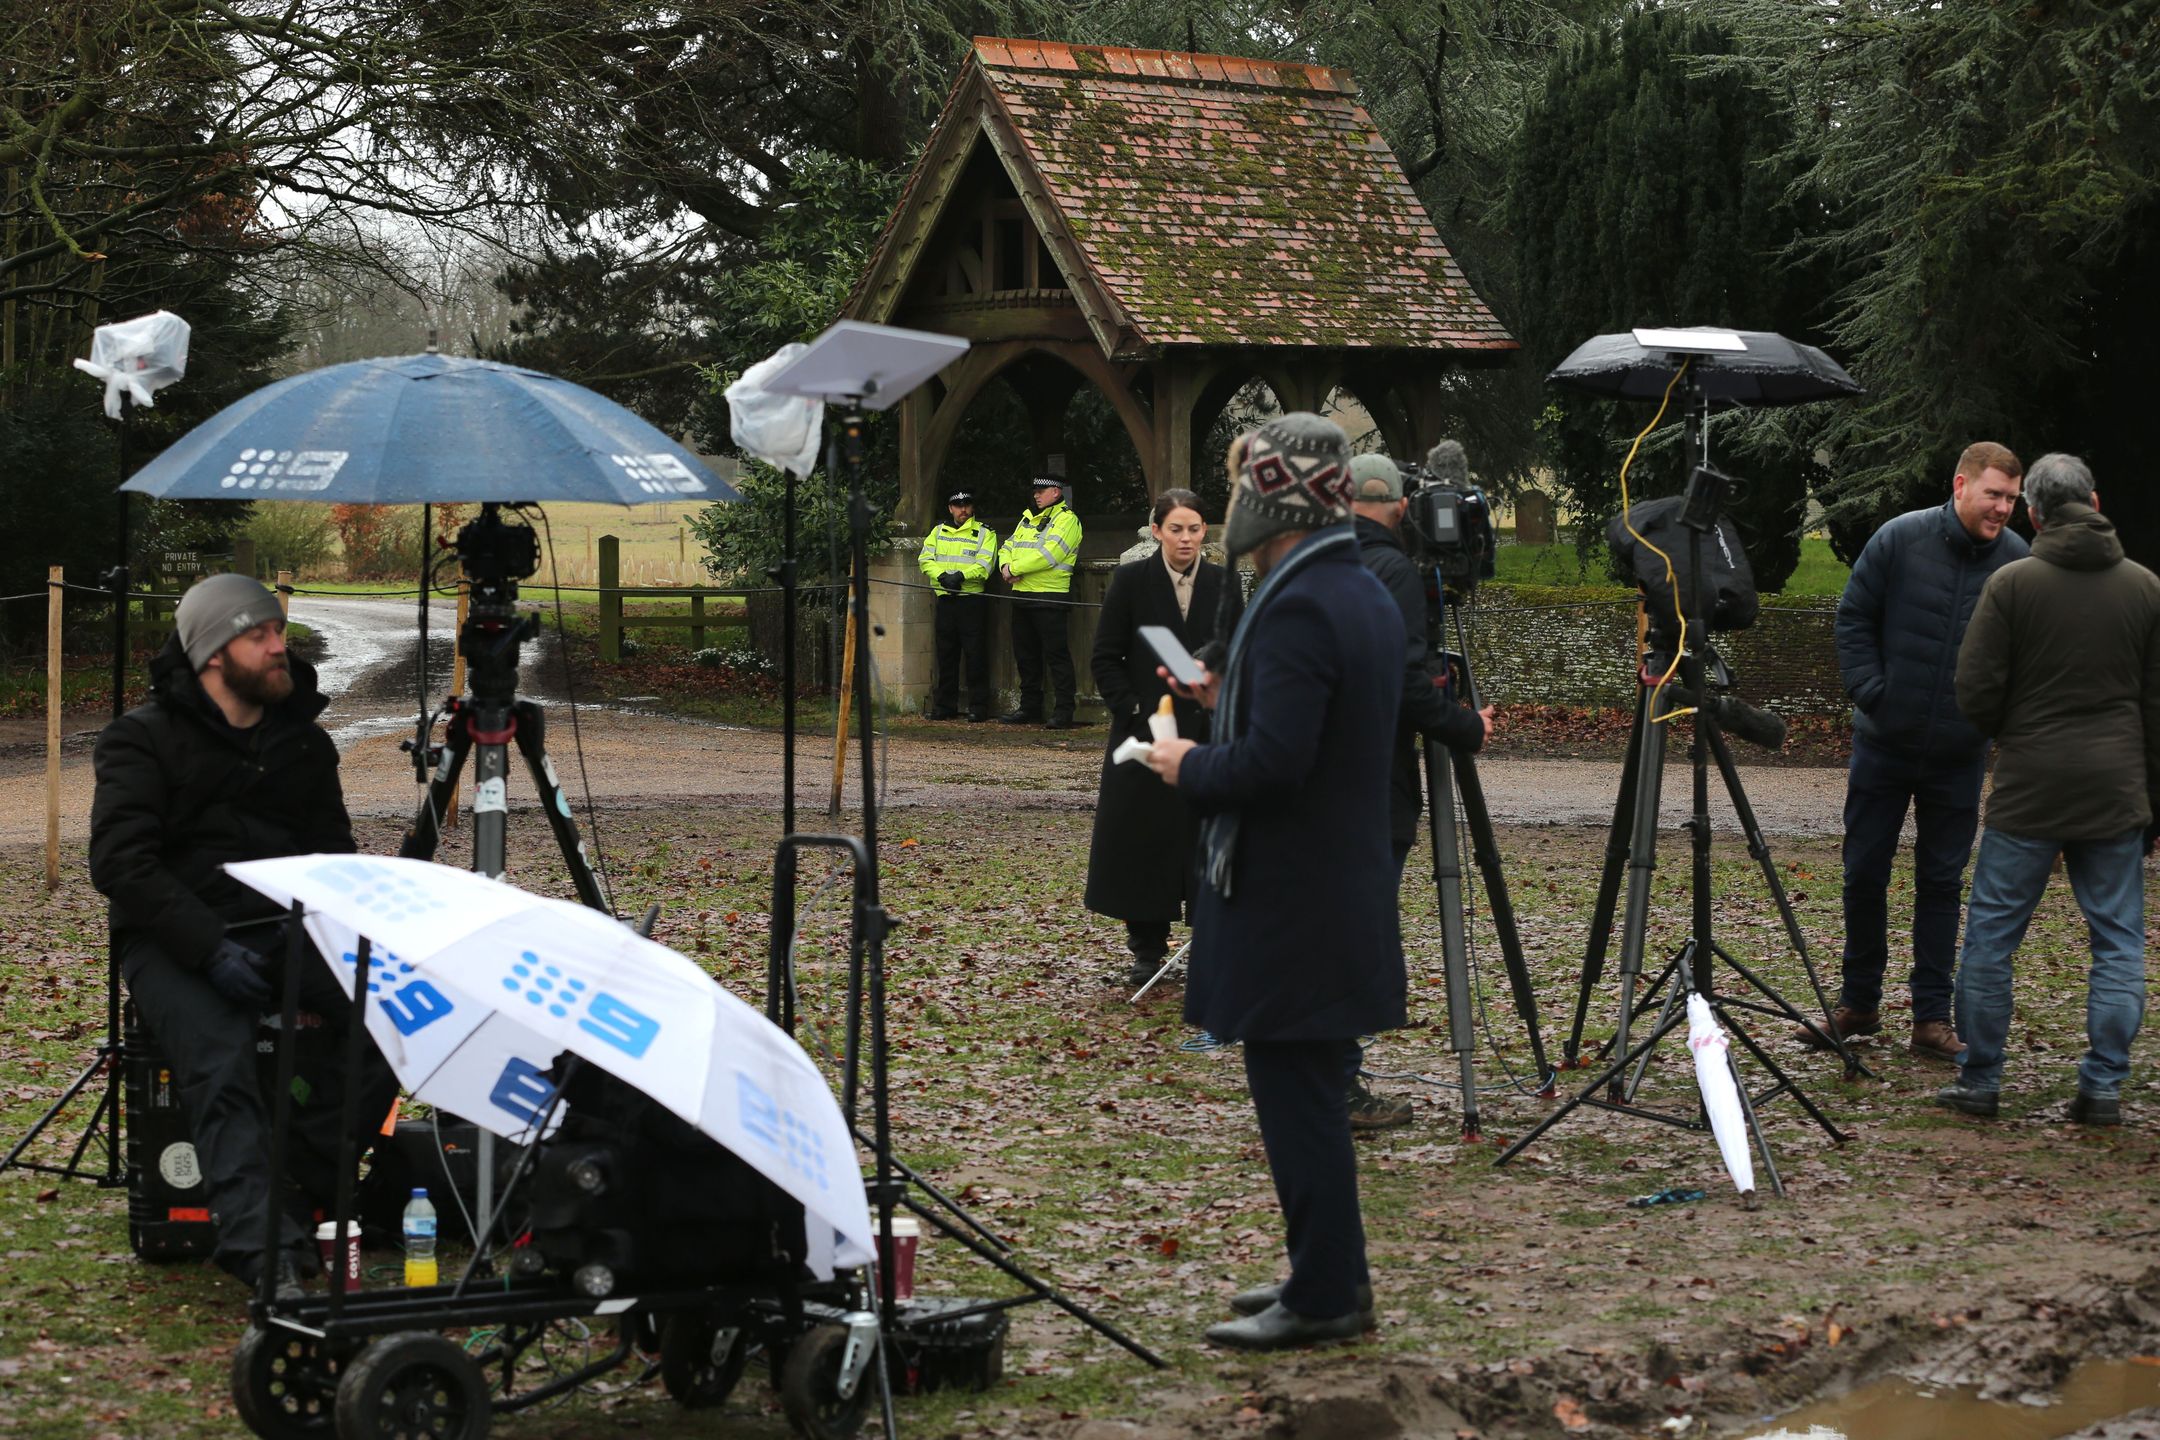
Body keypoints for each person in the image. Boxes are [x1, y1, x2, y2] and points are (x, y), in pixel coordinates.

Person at [1144, 413, 1404, 1351]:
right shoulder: (1353, 585)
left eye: (1237, 487)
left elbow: (1276, 767)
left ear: (1270, 495)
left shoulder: (1298, 601)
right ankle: (1323, 1273)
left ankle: (1330, 1294)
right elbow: (1313, 721)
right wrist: (1232, 691)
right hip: (1332, 887)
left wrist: (1184, 767)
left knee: (1300, 1100)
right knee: (1308, 1093)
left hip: (1295, 896)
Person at [89, 574, 396, 1296]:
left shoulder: (304, 746)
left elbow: (332, 858)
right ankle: (269, 1258)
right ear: (214, 653)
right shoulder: (141, 740)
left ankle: (299, 1185)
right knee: (220, 1063)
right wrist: (208, 947)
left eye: (278, 632)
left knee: (394, 1014)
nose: (277, 645)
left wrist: (349, 937)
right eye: (259, 635)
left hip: (288, 927)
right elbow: (121, 863)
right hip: (174, 936)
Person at [1936, 454, 2160, 1123]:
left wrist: (2019, 733)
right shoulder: (2146, 588)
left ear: (2033, 511)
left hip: (2030, 785)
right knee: (2118, 941)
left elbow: (1975, 690)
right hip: (2115, 787)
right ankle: (2103, 1087)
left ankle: (1981, 1081)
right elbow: (2156, 706)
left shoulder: (2012, 584)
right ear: (2093, 499)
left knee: (1992, 938)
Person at [1813, 441, 2028, 1061]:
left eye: (2012, 498)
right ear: (1960, 484)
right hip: (1885, 744)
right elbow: (1853, 618)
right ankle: (1858, 1005)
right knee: (1863, 873)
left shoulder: (2017, 563)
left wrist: (1985, 723)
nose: (2002, 509)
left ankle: (1931, 1019)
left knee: (1941, 884)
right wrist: (1875, 694)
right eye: (1993, 494)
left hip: (1959, 757)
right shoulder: (1899, 539)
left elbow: (2023, 658)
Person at [1346, 448, 1494, 1130]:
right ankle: (1341, 1084)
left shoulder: (1317, 559)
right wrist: (1465, 724)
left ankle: (1323, 1074)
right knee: (1360, 929)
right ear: (1401, 506)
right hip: (1373, 780)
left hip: (1321, 777)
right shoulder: (1395, 571)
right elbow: (1406, 683)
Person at [1084, 488, 1244, 988]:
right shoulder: (1131, 580)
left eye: (1194, 529)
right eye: (1176, 528)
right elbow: (1106, 656)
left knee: (1207, 835)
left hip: (1208, 733)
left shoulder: (1224, 583)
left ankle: (1214, 939)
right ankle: (1146, 947)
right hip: (1145, 731)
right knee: (1142, 838)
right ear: (1156, 531)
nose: (1186, 539)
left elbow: (1241, 649)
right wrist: (1132, 708)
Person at [999, 474, 1085, 729]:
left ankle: (1064, 711)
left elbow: (1050, 554)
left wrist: (1013, 567)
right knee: (1025, 656)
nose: (1036, 495)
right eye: (1035, 490)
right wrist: (1005, 565)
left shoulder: (1067, 520)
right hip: (1022, 595)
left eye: (1041, 490)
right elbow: (1007, 545)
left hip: (1050, 596)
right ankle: (1029, 708)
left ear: (1056, 492)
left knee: (1056, 656)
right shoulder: (1027, 518)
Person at [918, 488, 998, 721]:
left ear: (972, 508)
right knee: (946, 655)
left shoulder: (984, 533)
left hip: (971, 600)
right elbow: (925, 559)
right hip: (945, 599)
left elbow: (985, 564)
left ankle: (978, 707)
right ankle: (945, 706)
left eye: (967, 505)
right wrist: (943, 576)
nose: (963, 509)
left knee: (975, 655)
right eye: (958, 505)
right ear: (950, 508)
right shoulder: (938, 531)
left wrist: (961, 576)